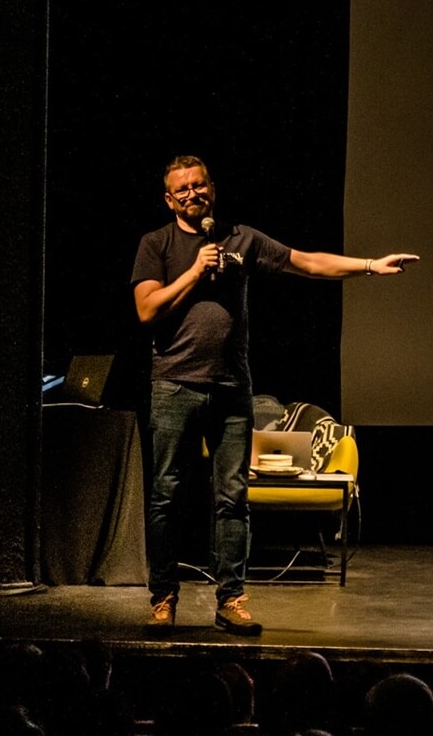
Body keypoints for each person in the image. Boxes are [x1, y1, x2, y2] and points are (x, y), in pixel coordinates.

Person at [132, 155, 418, 636]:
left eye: (198, 186)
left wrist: (370, 265)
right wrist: (195, 272)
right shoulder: (155, 244)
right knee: (166, 497)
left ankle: (232, 600)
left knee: (233, 498)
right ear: (169, 198)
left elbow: (305, 262)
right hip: (175, 386)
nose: (192, 195)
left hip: (231, 388)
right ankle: (163, 599)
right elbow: (146, 310)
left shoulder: (240, 237)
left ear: (212, 189)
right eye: (181, 190)